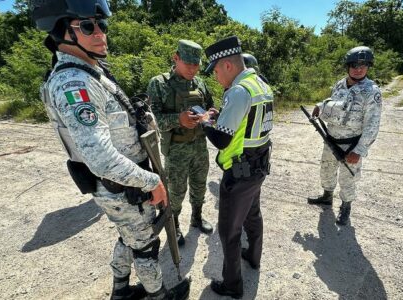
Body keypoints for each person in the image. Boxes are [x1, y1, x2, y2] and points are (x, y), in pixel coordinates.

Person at [31, 0, 189, 299]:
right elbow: (100, 158)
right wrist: (152, 182)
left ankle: (120, 290)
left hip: (125, 184)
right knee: (145, 246)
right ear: (60, 32)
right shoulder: (74, 81)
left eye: (101, 25)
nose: (100, 33)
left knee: (130, 238)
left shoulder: (90, 71)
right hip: (121, 186)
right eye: (88, 26)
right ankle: (158, 295)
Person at [201, 36, 273, 299]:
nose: (216, 76)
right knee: (253, 214)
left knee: (229, 232)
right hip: (258, 166)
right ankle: (253, 257)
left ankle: (233, 286)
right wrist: (222, 116)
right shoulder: (260, 84)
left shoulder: (239, 91)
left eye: (216, 70)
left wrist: (205, 122)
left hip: (239, 171)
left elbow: (221, 139)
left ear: (227, 65)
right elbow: (248, 122)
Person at [147, 40, 214, 247]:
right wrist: (179, 119)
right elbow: (155, 119)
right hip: (176, 149)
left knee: (199, 185)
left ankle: (197, 216)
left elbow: (210, 106)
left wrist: (212, 114)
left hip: (199, 146)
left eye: (196, 65)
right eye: (188, 64)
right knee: (175, 191)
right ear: (176, 57)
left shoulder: (200, 84)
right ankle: (174, 224)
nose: (193, 69)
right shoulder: (159, 83)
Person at [307, 46, 382, 226]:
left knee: (348, 178)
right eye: (355, 64)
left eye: (364, 65)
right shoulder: (340, 84)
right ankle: (327, 196)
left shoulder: (372, 91)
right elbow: (334, 101)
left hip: (352, 143)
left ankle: (346, 206)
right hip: (331, 138)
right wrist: (320, 105)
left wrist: (360, 150)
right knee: (326, 170)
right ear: (348, 66)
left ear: (369, 67)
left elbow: (372, 124)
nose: (359, 69)